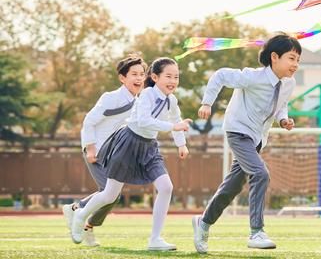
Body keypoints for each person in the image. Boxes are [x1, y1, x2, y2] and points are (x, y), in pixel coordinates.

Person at [191, 33, 301, 253]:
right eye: (291, 58)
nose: (295, 64)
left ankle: (203, 223)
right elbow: (220, 75)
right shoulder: (253, 77)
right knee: (261, 173)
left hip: (257, 139)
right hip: (238, 131)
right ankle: (256, 232)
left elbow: (281, 103)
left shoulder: (289, 83)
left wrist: (283, 119)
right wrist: (207, 103)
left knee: (231, 188)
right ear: (274, 57)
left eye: (298, 60)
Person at [70, 57, 191, 251]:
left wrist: (181, 144)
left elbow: (177, 119)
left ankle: (155, 239)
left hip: (149, 147)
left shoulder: (172, 100)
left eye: (176, 77)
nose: (173, 81)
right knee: (110, 194)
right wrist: (172, 127)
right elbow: (144, 121)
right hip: (128, 143)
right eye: (168, 76)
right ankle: (81, 214)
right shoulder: (147, 95)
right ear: (154, 77)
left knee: (166, 187)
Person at [62, 54, 147, 246]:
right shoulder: (111, 98)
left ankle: (77, 211)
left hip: (114, 154)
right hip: (97, 151)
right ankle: (82, 218)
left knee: (109, 195)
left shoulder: (140, 101)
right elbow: (89, 121)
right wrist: (90, 148)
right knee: (111, 194)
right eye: (134, 74)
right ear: (122, 78)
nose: (139, 78)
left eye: (142, 74)